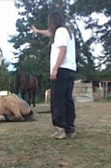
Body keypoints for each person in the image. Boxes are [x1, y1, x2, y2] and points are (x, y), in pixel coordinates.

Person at [31, 11, 77, 139]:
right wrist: (37, 31)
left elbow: (63, 50)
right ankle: (70, 128)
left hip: (61, 69)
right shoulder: (67, 32)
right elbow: (49, 33)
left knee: (57, 99)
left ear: (53, 21)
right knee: (68, 99)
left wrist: (55, 68)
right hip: (70, 70)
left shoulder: (60, 32)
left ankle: (60, 128)